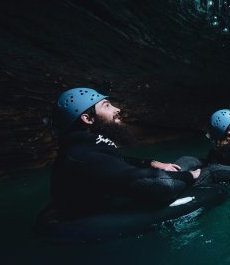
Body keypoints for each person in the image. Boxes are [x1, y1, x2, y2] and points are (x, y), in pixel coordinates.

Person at [47, 87, 201, 220]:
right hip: (87, 213)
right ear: (87, 118)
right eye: (107, 106)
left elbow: (116, 161)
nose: (117, 109)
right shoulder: (80, 154)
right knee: (165, 184)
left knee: (188, 160)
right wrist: (189, 176)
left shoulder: (88, 142)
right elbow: (131, 174)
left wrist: (153, 163)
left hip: (110, 191)